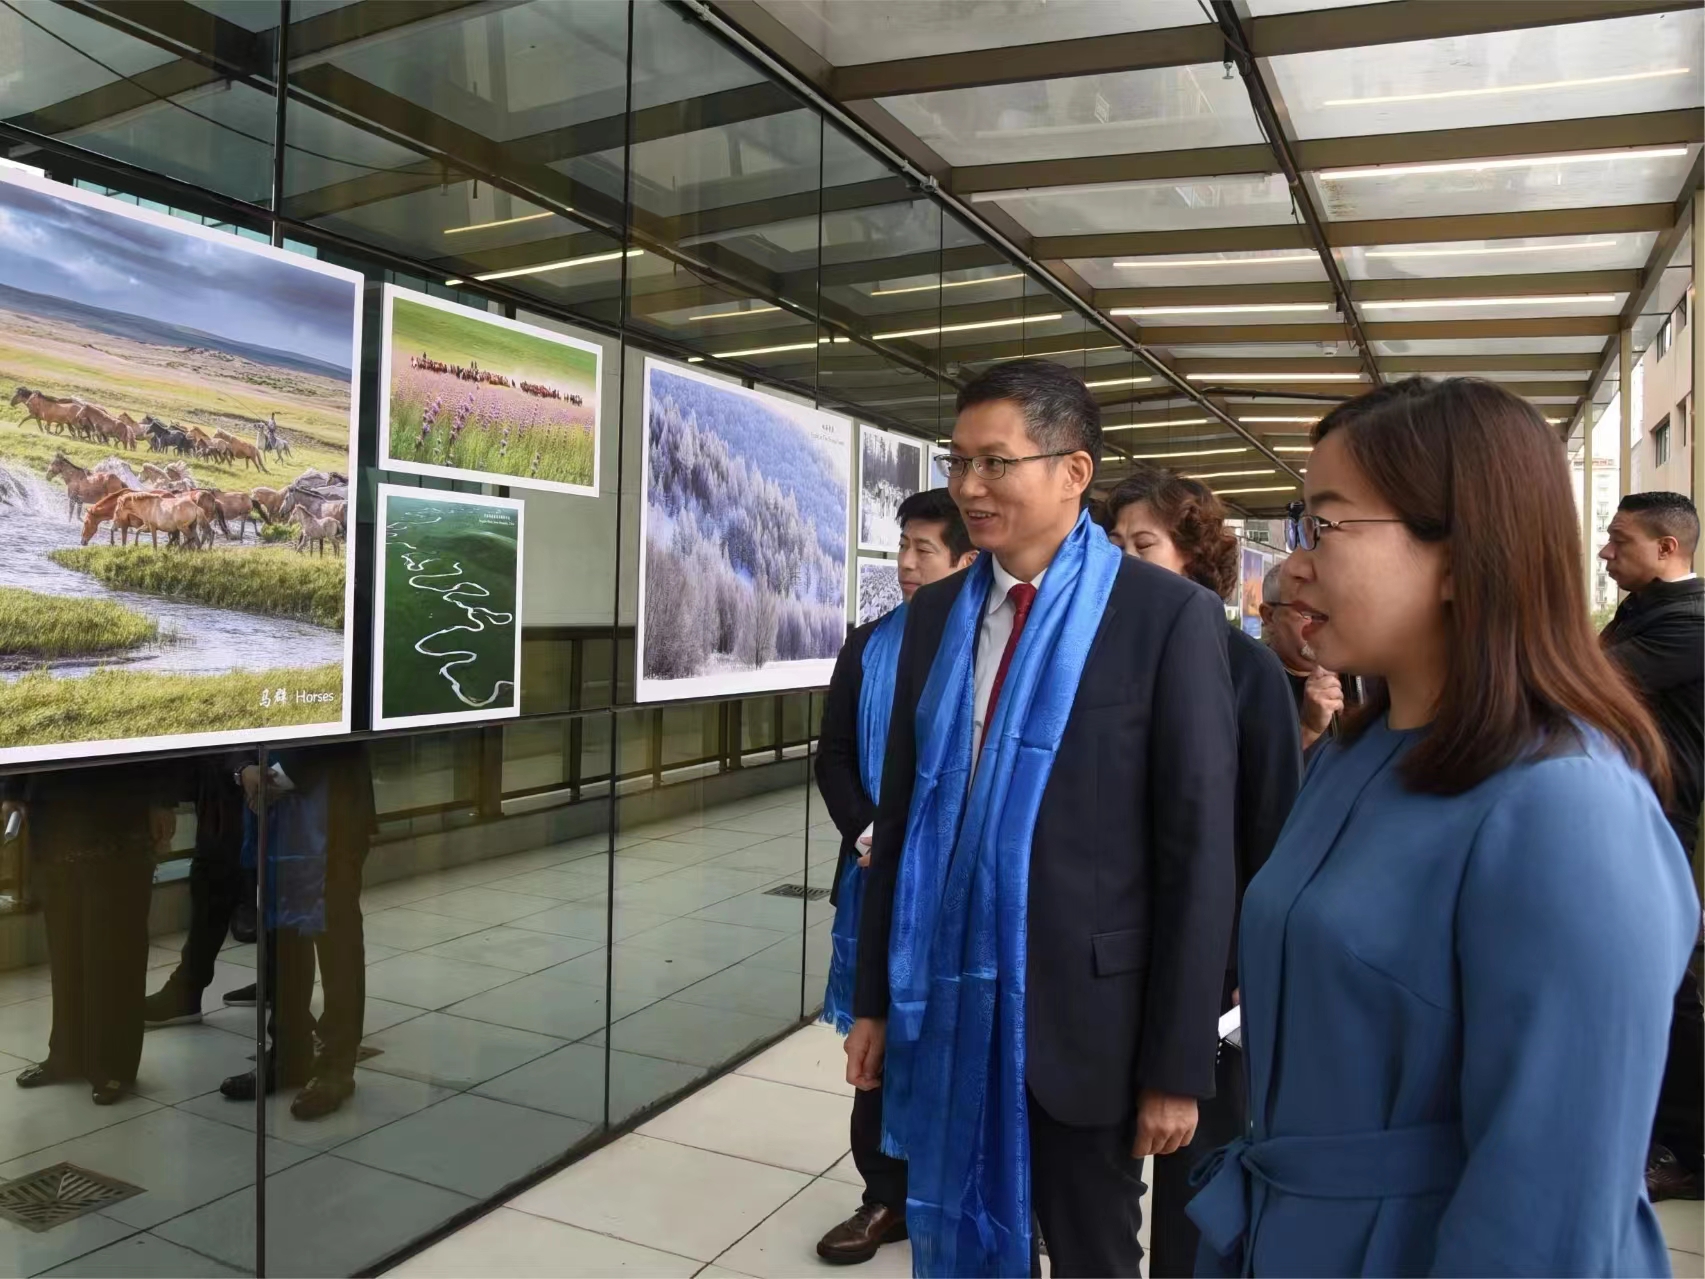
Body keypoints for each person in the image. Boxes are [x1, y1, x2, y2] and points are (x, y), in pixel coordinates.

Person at [1189, 377, 1699, 1276]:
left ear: (1465, 553)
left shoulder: (1567, 807)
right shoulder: (1355, 751)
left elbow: (1549, 1207)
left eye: (1326, 525)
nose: (1292, 565)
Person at [846, 359, 1238, 1277]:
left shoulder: (1163, 617)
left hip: (1085, 1022)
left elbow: (1196, 849)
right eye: (957, 463)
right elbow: (900, 821)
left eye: (995, 462)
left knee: (1094, 1248)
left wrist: (1177, 1063)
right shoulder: (937, 615)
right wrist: (872, 998)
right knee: (957, 1225)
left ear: (1073, 472)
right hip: (942, 1001)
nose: (969, 488)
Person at [1101, 469, 1302, 1277]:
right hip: (1104, 952)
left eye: (1143, 544)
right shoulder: (1092, 657)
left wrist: (1238, 969)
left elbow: (1270, 829)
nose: (1124, 561)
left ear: (1196, 557)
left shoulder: (1246, 671)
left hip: (1211, 970)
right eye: (1112, 545)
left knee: (1195, 1165)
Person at [815, 487, 977, 1264]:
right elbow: (834, 756)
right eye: (901, 547)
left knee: (967, 1033)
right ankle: (886, 1193)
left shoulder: (986, 647)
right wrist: (870, 826)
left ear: (964, 561)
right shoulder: (868, 644)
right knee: (874, 1040)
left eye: (924, 550)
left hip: (961, 884)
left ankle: (978, 1185)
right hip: (878, 875)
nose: (907, 564)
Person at [1599, 490, 1704, 1202]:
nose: (1605, 553)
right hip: (1625, 813)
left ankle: (1686, 1149)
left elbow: (1583, 679)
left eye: (1619, 541)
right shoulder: (1640, 616)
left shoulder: (1690, 624)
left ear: (1668, 548)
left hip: (1662, 819)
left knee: (1668, 987)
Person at [2, 761, 175, 1105]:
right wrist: (12, 789)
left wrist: (162, 798)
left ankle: (113, 1064)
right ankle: (67, 1055)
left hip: (120, 801)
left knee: (115, 941)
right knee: (65, 942)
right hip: (53, 804)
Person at [218, 741, 373, 1121]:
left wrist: (278, 778)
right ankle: (287, 1056)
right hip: (269, 811)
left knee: (337, 943)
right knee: (279, 937)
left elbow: (350, 732)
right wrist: (243, 770)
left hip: (331, 806)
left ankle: (336, 1068)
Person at [143, 753, 252, 1027]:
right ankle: (279, 981)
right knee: (214, 879)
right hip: (226, 779)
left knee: (215, 881)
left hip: (242, 776)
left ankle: (186, 991)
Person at [1258, 559, 1345, 751]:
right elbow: (1249, 775)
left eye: (1327, 613)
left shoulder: (1356, 677)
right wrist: (1308, 730)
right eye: (1308, 613)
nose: (1321, 626)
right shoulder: (1247, 681)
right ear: (1269, 616)